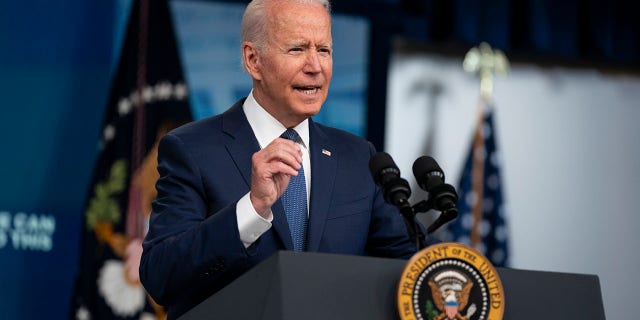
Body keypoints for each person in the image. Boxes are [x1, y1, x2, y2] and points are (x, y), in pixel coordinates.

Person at [139, 0, 419, 318]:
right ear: (253, 60)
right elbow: (160, 276)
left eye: (324, 50)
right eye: (297, 49)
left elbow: (407, 266)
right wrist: (253, 209)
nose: (316, 66)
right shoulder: (191, 149)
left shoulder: (358, 157)